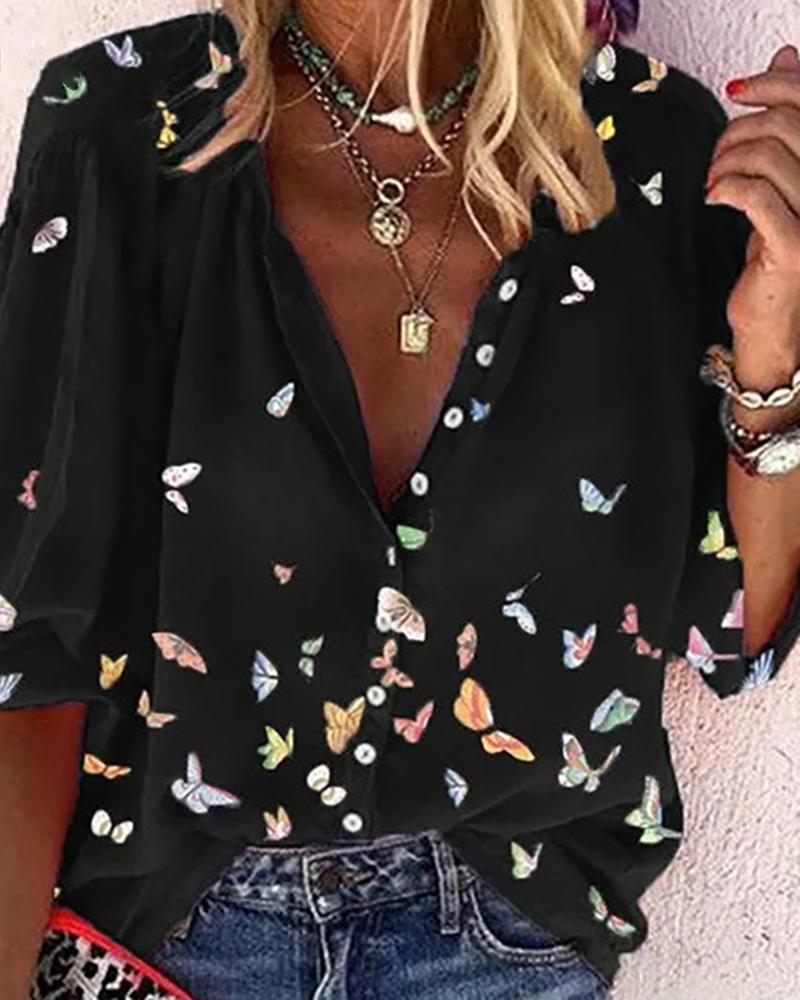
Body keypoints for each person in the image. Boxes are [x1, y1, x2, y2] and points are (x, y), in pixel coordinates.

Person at [2, 1, 800, 998]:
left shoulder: (650, 149)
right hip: (167, 940)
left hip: (504, 943)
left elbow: (729, 631)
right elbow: (33, 649)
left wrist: (774, 344)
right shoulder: (119, 126)